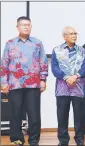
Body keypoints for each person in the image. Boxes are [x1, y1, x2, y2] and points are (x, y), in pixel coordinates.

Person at [0, 16, 48, 146]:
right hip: (14, 84)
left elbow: (43, 61)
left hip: (33, 84)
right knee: (15, 113)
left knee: (34, 114)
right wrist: (3, 82)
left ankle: (33, 140)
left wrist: (43, 79)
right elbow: (4, 63)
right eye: (23, 25)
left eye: (29, 25)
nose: (27, 27)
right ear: (17, 27)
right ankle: (16, 139)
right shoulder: (10, 43)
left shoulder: (37, 43)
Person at [51, 26, 85, 146]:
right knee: (62, 115)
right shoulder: (57, 50)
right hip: (62, 88)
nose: (74, 35)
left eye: (75, 33)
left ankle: (79, 139)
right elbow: (54, 67)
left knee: (79, 115)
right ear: (64, 36)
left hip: (78, 87)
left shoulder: (83, 51)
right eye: (71, 33)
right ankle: (63, 140)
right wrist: (66, 77)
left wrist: (76, 76)